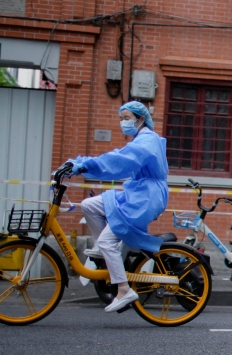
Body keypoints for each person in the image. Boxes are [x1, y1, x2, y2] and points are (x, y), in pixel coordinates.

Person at [69, 101, 169, 313]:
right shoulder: (140, 138)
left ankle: (123, 289)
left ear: (141, 119)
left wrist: (86, 165)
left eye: (126, 118)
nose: (122, 122)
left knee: (107, 240)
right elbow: (119, 158)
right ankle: (103, 253)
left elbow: (120, 160)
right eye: (121, 118)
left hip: (145, 198)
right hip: (136, 193)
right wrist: (80, 164)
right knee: (89, 205)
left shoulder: (147, 140)